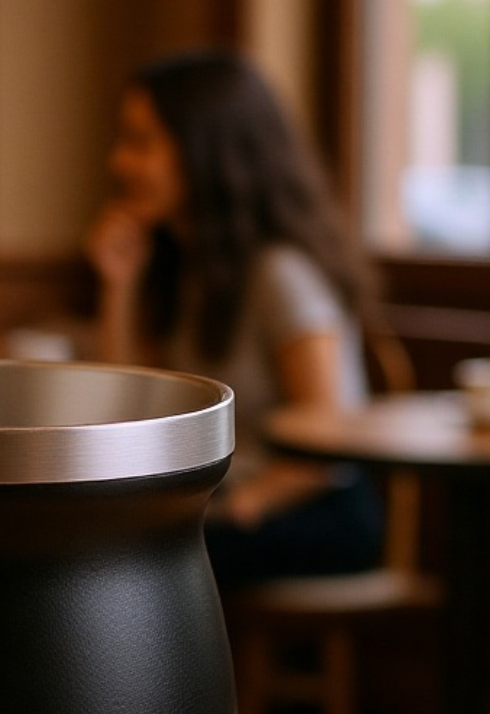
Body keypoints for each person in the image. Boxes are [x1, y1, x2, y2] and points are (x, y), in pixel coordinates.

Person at [87, 50, 384, 590]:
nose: (119, 162)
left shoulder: (279, 273)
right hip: (227, 502)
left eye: (142, 142)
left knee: (125, 563)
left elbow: (331, 438)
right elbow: (125, 411)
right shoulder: (184, 268)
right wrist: (119, 287)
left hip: (314, 508)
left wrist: (245, 504)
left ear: (206, 151)